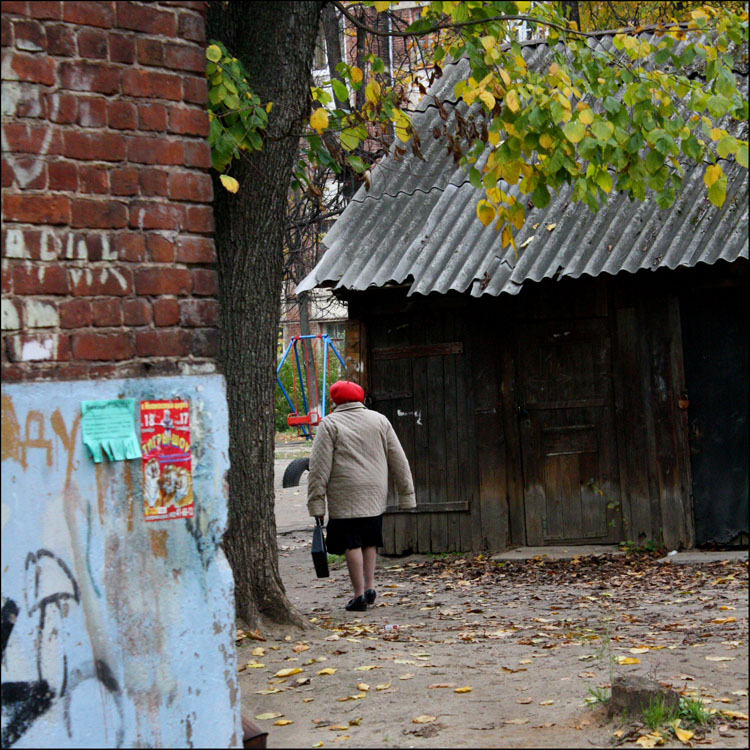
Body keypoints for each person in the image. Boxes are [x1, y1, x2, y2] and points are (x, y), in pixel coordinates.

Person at [307, 380, 416, 611]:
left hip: (345, 492)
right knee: (370, 539)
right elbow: (399, 459)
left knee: (351, 542)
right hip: (375, 491)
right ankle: (370, 587)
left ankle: (358, 597)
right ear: (359, 397)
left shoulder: (329, 424)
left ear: (335, 400)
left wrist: (317, 503)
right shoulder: (379, 420)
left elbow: (319, 468)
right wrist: (407, 494)